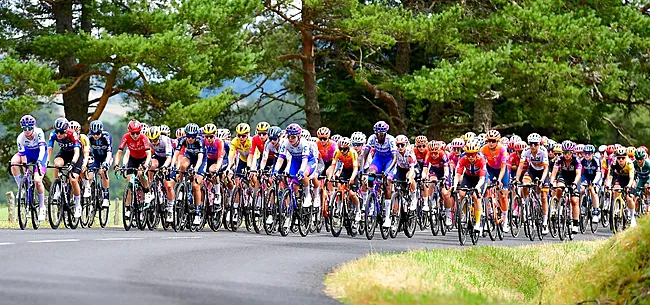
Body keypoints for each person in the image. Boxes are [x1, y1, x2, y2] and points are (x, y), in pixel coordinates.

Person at [360, 121, 398, 228]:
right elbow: (364, 155)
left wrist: (388, 171)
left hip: (389, 161)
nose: (379, 136)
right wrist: (363, 170)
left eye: (381, 134)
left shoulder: (390, 139)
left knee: (387, 184)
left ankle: (387, 218)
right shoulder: (372, 138)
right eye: (377, 134)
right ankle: (371, 197)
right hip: (378, 158)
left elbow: (395, 158)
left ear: (385, 133)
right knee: (371, 174)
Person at [113, 119, 152, 221]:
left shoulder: (143, 138)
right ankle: (128, 208)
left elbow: (149, 155)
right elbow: (120, 152)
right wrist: (116, 164)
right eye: (133, 133)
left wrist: (145, 165)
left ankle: (147, 192)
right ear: (129, 132)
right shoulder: (125, 137)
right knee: (130, 181)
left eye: (137, 133)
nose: (135, 135)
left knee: (140, 173)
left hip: (144, 159)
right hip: (133, 159)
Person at [11, 115, 48, 221]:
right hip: (28, 153)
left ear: (34, 127)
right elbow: (22, 157)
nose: (27, 131)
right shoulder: (20, 138)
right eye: (24, 129)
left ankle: (42, 207)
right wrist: (25, 169)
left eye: (30, 128)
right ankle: (21, 188)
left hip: (40, 153)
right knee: (14, 163)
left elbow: (42, 149)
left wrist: (40, 162)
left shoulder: (39, 132)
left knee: (37, 180)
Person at [47, 117, 83, 218]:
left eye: (61, 132)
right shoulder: (53, 134)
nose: (58, 134)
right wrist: (46, 161)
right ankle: (57, 188)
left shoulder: (72, 134)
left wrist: (73, 163)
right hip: (64, 152)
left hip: (76, 155)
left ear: (66, 131)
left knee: (73, 179)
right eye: (57, 131)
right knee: (57, 164)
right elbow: (50, 149)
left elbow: (77, 152)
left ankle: (77, 204)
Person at [172, 123, 206, 225]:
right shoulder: (182, 140)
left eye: (193, 136)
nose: (190, 139)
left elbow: (200, 158)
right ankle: (182, 186)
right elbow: (176, 153)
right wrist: (173, 165)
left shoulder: (200, 141)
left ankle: (197, 213)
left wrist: (195, 169)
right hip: (190, 156)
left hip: (201, 160)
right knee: (182, 166)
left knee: (196, 185)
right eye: (188, 136)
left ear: (196, 135)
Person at [452, 140, 487, 233]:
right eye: (468, 154)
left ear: (477, 153)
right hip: (468, 176)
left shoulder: (481, 160)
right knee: (462, 193)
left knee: (476, 197)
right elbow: (458, 175)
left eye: (473, 154)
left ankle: (478, 223)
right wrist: (455, 186)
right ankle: (466, 213)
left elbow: (482, 178)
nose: (470, 157)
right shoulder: (463, 159)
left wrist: (478, 187)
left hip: (480, 178)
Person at [550, 140, 583, 234]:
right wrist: (552, 182)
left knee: (574, 200)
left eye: (568, 153)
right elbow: (554, 173)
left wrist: (575, 184)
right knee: (559, 188)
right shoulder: (559, 159)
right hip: (563, 176)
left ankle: (576, 223)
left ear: (572, 153)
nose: (566, 155)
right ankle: (558, 205)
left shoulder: (576, 160)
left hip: (574, 178)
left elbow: (578, 174)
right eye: (564, 153)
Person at [146, 126, 175, 223]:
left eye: (155, 140)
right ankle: (151, 187)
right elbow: (148, 155)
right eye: (151, 140)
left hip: (168, 159)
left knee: (168, 185)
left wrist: (165, 167)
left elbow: (169, 158)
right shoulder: (149, 142)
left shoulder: (165, 140)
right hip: (158, 157)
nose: (153, 142)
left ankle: (170, 209)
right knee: (151, 166)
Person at [87, 120, 113, 208]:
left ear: (101, 131)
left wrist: (106, 163)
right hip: (96, 157)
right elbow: (86, 150)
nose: (95, 136)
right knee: (90, 175)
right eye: (93, 134)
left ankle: (106, 197)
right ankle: (91, 193)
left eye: (98, 133)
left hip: (106, 156)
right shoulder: (89, 137)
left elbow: (109, 152)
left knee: (102, 172)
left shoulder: (106, 136)